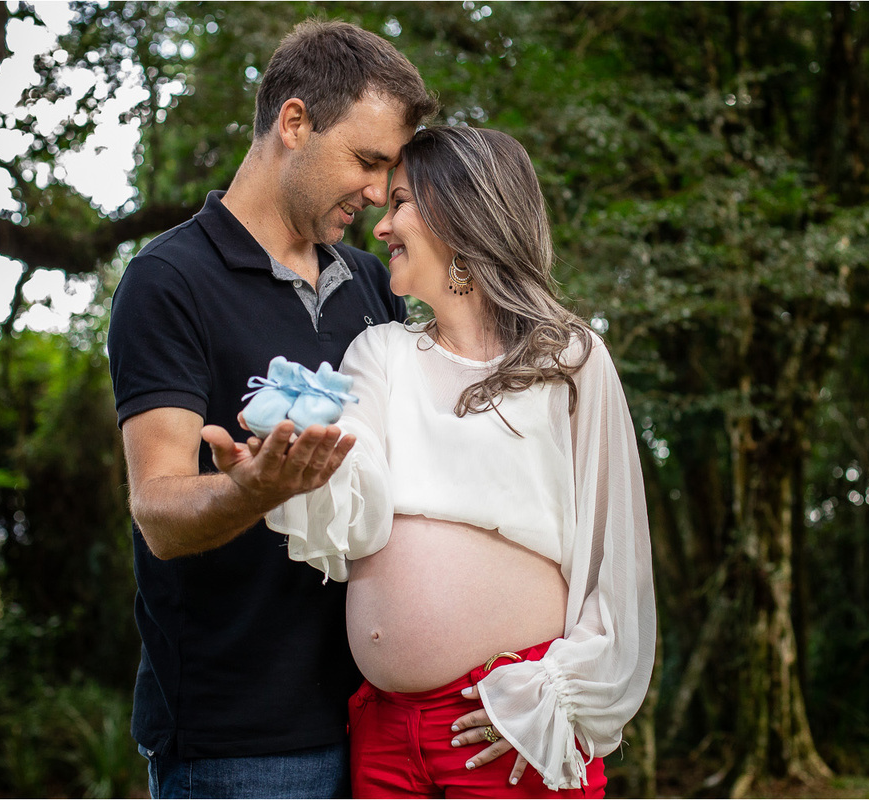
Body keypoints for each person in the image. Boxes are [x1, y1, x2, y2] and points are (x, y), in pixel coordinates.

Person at [266, 126, 657, 798]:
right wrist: (300, 455)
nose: (382, 225)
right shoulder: (379, 352)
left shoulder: (570, 361)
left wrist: (556, 696)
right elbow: (351, 503)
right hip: (386, 739)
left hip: (509, 725)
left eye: (400, 202)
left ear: (459, 209)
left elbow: (612, 558)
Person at [106, 20, 437, 799]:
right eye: (367, 160)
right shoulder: (168, 282)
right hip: (241, 748)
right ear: (294, 123)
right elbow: (157, 509)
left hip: (377, 719)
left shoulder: (367, 283)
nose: (378, 191)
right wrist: (254, 491)